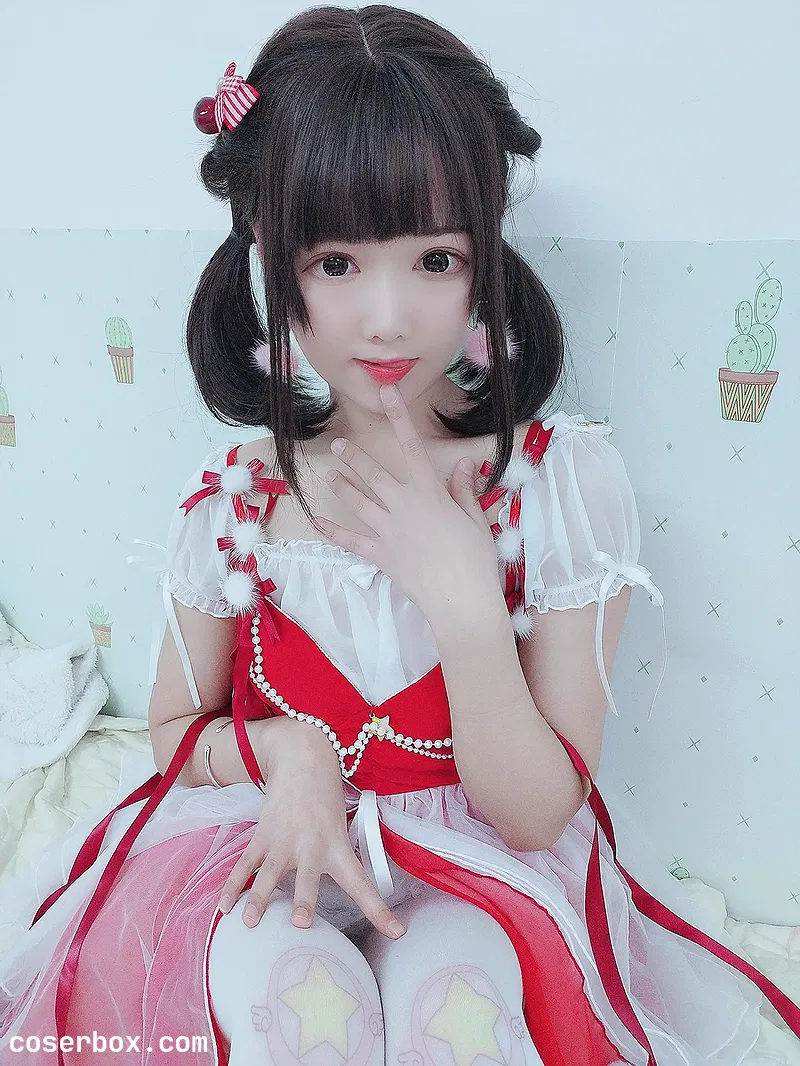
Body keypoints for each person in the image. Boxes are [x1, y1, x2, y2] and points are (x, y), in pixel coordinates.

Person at [1, 5, 798, 1065]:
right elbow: (172, 730)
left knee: (450, 1008)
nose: (387, 317)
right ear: (270, 254)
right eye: (335, 263)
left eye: (434, 259)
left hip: (484, 871)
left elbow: (535, 816)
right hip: (270, 841)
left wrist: (463, 601)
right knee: (291, 1004)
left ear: (482, 260)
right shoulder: (234, 500)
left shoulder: (555, 486)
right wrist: (287, 754)